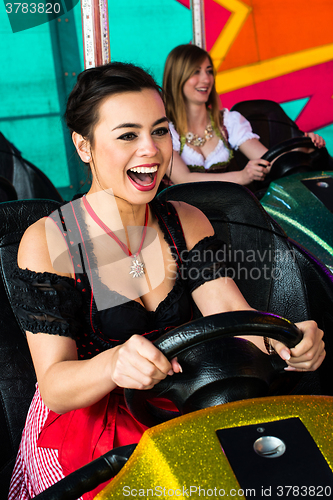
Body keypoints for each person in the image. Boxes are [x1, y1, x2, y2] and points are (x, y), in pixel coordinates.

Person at [8, 62, 325, 500]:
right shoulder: (48, 240)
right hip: (88, 426)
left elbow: (235, 318)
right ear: (85, 146)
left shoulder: (185, 221)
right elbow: (56, 387)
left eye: (159, 131)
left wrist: (288, 343)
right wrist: (114, 363)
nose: (151, 151)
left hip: (177, 398)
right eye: (127, 135)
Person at [162, 44, 325, 186]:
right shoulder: (165, 131)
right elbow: (183, 179)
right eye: (196, 72)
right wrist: (241, 176)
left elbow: (267, 161)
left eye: (209, 71)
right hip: (186, 214)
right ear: (177, 77)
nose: (206, 79)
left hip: (229, 212)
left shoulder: (228, 121)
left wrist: (302, 148)